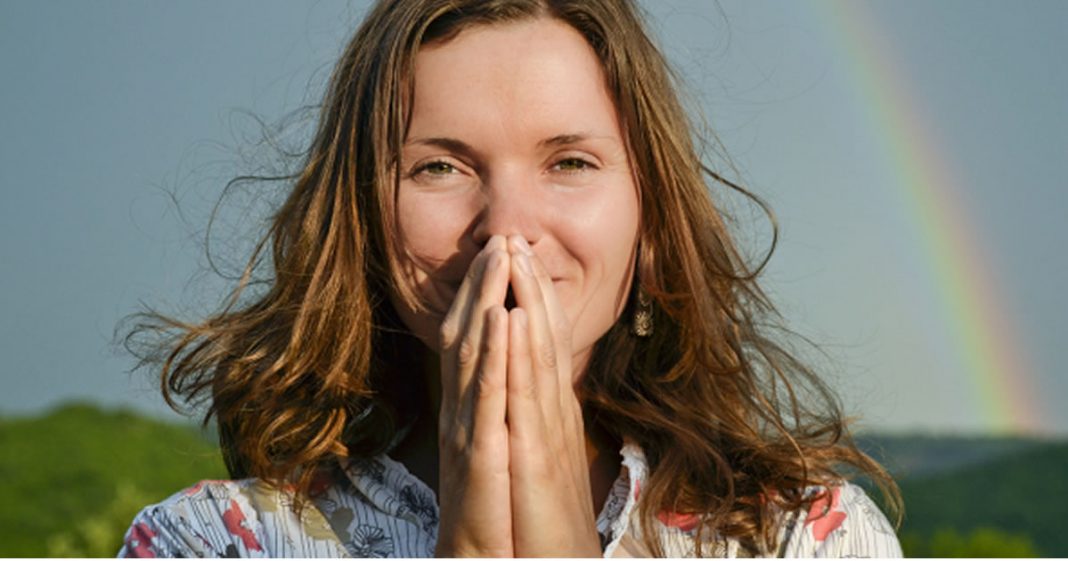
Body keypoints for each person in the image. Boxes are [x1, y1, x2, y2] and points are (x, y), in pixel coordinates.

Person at [119, 0, 902, 557]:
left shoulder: (808, 538)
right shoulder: (215, 543)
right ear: (360, 220)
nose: (507, 225)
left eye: (570, 161)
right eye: (439, 166)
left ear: (652, 216)